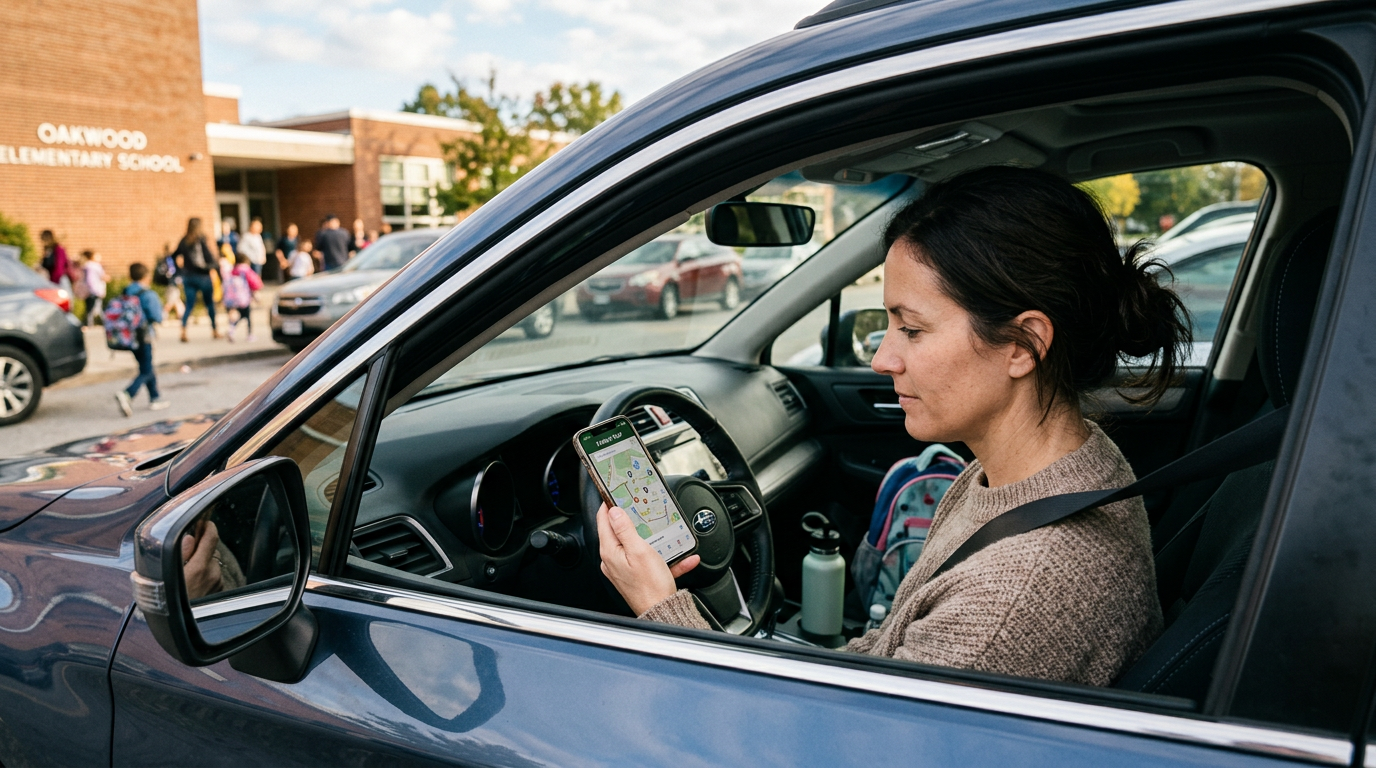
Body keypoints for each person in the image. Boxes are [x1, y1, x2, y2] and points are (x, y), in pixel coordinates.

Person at [597, 166, 1191, 688]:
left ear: (1023, 344)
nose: (881, 359)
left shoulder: (1010, 603)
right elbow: (891, 664)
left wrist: (663, 610)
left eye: (911, 329)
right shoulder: (1054, 464)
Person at [114, 262, 169, 415]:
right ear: (146, 276)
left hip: (128, 337)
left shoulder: (126, 292)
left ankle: (155, 397)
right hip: (144, 336)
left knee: (146, 366)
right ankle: (127, 394)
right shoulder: (148, 294)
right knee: (146, 369)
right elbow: (157, 316)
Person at [171, 217, 220, 342]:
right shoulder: (201, 239)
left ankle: (183, 331)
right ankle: (215, 331)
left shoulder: (184, 241)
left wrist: (180, 269)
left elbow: (173, 256)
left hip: (188, 277)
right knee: (209, 305)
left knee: (189, 305)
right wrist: (215, 267)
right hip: (203, 277)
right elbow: (209, 257)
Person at [224, 253, 263, 342]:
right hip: (244, 298)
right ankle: (250, 334)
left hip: (233, 298)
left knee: (239, 315)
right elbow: (254, 283)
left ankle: (231, 329)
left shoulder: (233, 270)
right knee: (247, 316)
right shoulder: (246, 270)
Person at [38, 230, 71, 304]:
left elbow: (59, 267)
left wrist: (54, 283)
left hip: (58, 281)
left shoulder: (58, 250)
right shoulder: (49, 251)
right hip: (51, 281)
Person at [81, 250, 107, 327]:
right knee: (95, 308)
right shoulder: (94, 266)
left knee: (91, 308)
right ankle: (102, 323)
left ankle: (91, 323)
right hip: (95, 290)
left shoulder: (86, 266)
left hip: (89, 290)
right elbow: (92, 279)